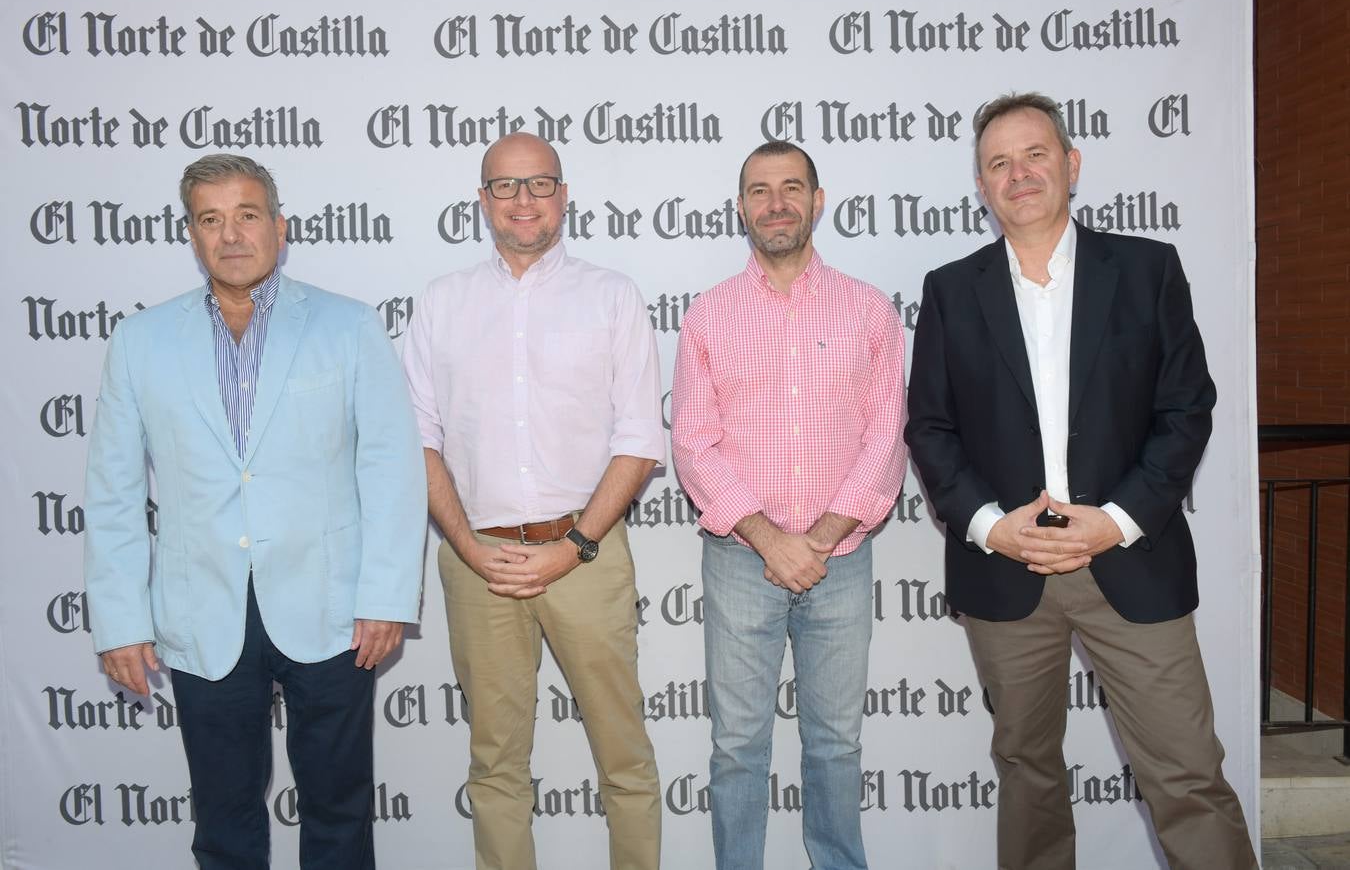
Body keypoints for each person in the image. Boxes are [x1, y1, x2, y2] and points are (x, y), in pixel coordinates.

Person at [904, 92, 1257, 869]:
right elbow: (930, 427)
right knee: (1027, 776)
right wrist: (992, 525)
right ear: (982, 186)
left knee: (1187, 776)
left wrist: (1120, 519)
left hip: (1131, 561)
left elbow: (1185, 407)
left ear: (1071, 164)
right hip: (1006, 572)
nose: (1018, 173)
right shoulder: (951, 289)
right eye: (997, 163)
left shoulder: (1146, 269)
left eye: (1034, 154)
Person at [83, 154, 427, 869]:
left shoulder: (348, 327)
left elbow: (391, 470)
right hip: (201, 606)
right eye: (211, 219)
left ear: (280, 226)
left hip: (333, 608)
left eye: (246, 215)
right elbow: (112, 493)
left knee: (339, 808)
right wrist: (120, 620)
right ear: (191, 233)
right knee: (223, 814)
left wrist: (386, 595)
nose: (231, 235)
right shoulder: (140, 343)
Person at [402, 132, 663, 870]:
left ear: (565, 194)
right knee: (495, 765)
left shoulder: (611, 296)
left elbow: (640, 440)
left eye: (540, 183)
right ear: (481, 201)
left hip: (587, 556)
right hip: (477, 560)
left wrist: (572, 546)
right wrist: (466, 544)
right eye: (506, 186)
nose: (524, 200)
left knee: (625, 757)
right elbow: (417, 438)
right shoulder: (441, 302)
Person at [670, 141, 906, 870]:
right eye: (760, 191)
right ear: (741, 207)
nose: (776, 203)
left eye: (791, 187)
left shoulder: (869, 310)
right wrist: (774, 541)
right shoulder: (709, 316)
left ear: (818, 199)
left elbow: (886, 433)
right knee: (737, 745)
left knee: (836, 743)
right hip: (744, 561)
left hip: (842, 559)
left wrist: (822, 536)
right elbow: (693, 442)